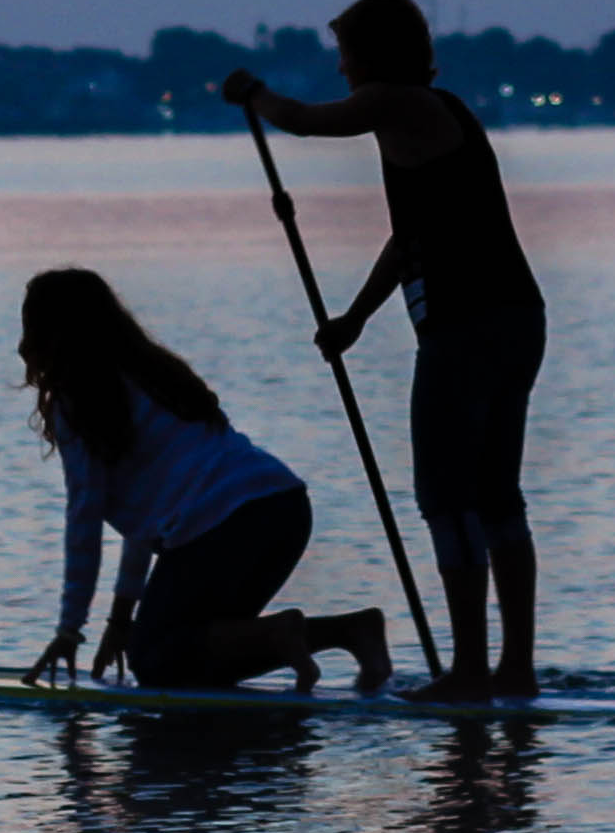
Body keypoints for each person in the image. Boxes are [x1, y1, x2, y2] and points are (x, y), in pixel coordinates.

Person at [223, 0, 546, 698]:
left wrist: (255, 94)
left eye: (345, 54)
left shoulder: (397, 104)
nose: (340, 69)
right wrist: (355, 319)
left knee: (446, 497)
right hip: (516, 318)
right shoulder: (440, 113)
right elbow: (411, 241)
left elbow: (306, 123)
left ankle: (470, 672)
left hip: (468, 328)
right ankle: (513, 668)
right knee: (495, 498)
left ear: (374, 55)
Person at [19, 267, 393, 695]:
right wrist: (123, 619)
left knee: (157, 660)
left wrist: (69, 630)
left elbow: (83, 519)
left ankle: (280, 634)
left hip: (227, 525)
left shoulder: (79, 400)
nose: (23, 344)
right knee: (193, 649)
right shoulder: (155, 374)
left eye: (31, 327)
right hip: (284, 508)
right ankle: (350, 631)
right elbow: (145, 524)